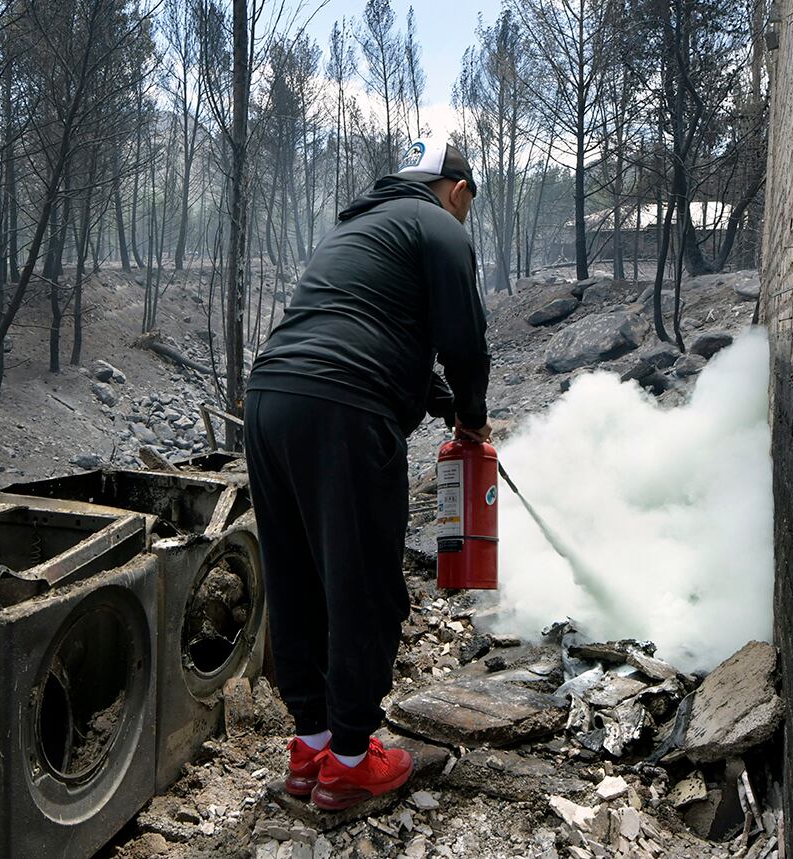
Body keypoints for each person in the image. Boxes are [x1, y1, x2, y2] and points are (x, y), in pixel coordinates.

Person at [244, 138, 492, 811]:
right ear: (458, 190)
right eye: (468, 203)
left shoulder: (357, 228)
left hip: (269, 397)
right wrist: (472, 416)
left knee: (296, 575)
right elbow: (463, 339)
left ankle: (312, 748)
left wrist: (439, 403)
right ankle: (354, 761)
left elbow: (366, 331)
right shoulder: (440, 225)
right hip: (342, 408)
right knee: (362, 582)